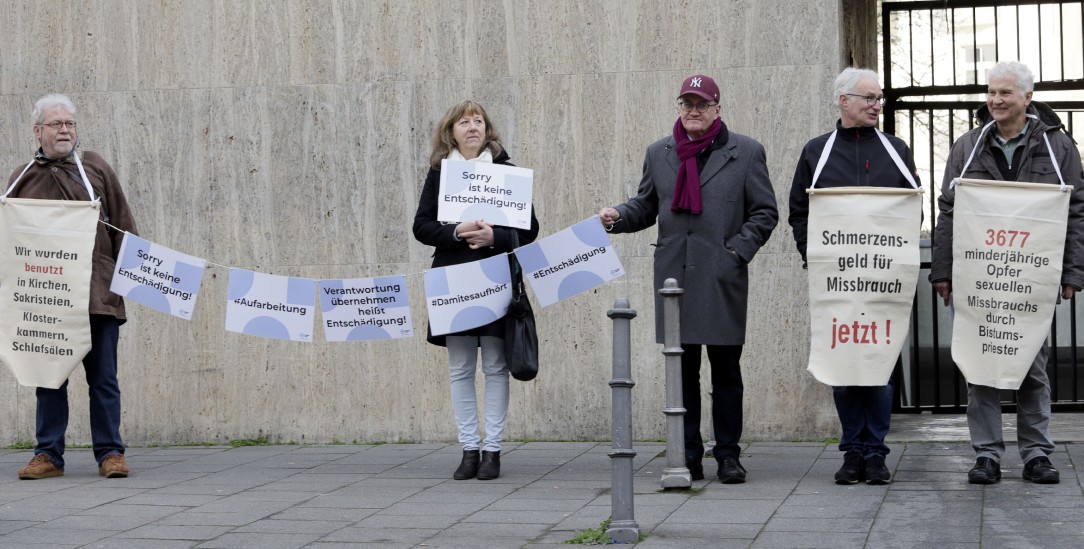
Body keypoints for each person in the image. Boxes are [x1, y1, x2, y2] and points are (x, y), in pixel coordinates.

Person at [599, 75, 778, 483]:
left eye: (702, 104)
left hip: (721, 277)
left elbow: (765, 212)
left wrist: (736, 252)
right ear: (679, 107)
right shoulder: (659, 152)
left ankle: (729, 455)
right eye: (687, 103)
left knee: (726, 370)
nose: (693, 111)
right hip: (674, 278)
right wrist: (618, 216)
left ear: (718, 109)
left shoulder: (746, 152)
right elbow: (646, 206)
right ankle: (688, 454)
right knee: (683, 370)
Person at [930, 61, 1084, 485]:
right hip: (978, 277)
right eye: (991, 92)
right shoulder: (968, 146)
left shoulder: (1059, 148)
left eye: (1005, 93)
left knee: (1032, 366)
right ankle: (987, 455)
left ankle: (1036, 454)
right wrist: (942, 269)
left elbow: (1075, 210)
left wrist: (1072, 272)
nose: (995, 101)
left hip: (1030, 278)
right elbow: (949, 210)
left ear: (1027, 97)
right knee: (980, 367)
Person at [788, 68, 920, 485]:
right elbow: (799, 212)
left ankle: (876, 453)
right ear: (843, 101)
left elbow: (912, 208)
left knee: (880, 364)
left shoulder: (896, 149)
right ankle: (851, 452)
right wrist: (817, 258)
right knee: (844, 364)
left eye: (879, 98)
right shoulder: (815, 152)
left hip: (883, 281)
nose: (876, 105)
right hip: (837, 282)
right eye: (868, 98)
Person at [10, 94, 138, 480]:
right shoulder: (22, 177)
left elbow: (124, 224)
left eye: (70, 124)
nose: (65, 130)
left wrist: (126, 282)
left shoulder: (95, 167)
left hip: (97, 294)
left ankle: (110, 453)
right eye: (56, 124)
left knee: (103, 378)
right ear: (38, 131)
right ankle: (48, 454)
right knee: (49, 378)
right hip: (48, 301)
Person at [413, 100, 539, 481]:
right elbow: (421, 227)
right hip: (453, 279)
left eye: (478, 120)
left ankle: (493, 450)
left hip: (496, 277)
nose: (471, 127)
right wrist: (455, 231)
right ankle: (469, 449)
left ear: (487, 129)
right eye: (463, 121)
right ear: (451, 131)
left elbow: (530, 229)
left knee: (497, 367)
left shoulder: (507, 173)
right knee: (461, 368)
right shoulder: (440, 174)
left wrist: (495, 235)